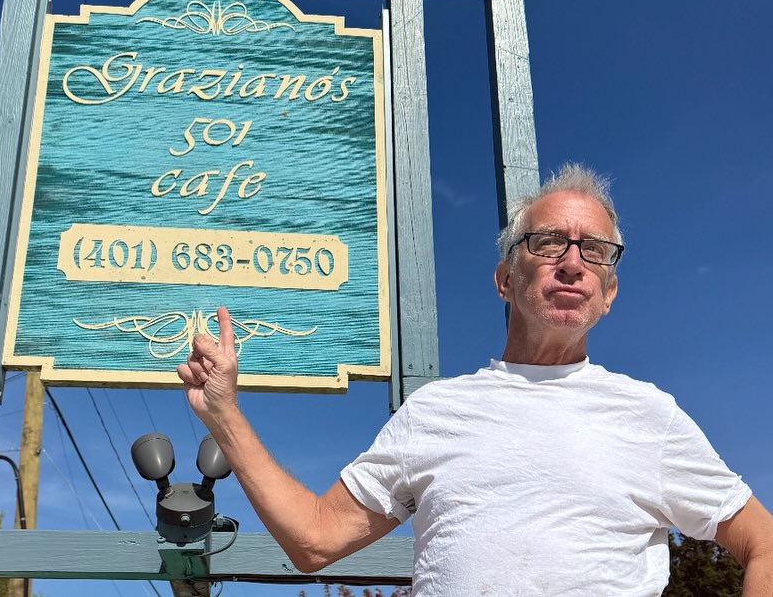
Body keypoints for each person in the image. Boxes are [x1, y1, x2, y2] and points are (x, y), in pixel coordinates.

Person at [177, 164, 773, 595]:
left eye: (595, 251)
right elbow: (314, 540)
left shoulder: (650, 416)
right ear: (504, 279)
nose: (572, 262)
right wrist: (225, 417)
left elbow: (762, 541)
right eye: (548, 243)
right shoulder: (435, 411)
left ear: (609, 292)